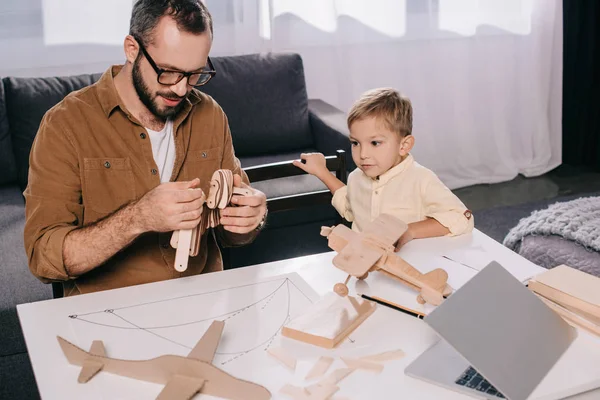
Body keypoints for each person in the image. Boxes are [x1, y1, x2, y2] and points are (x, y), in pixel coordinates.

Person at [23, 0, 267, 296]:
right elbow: (43, 258)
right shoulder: (65, 124)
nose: (181, 88)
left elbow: (232, 229)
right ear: (132, 49)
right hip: (108, 313)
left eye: (194, 74)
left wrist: (251, 219)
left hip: (203, 300)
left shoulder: (210, 115)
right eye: (168, 72)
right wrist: (138, 218)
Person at [293, 88, 473, 249]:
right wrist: (322, 172)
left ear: (404, 145)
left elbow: (462, 218)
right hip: (366, 268)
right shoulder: (356, 177)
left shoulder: (421, 179)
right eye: (355, 143)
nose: (362, 154)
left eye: (375, 143)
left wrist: (408, 231)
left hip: (408, 268)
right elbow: (349, 208)